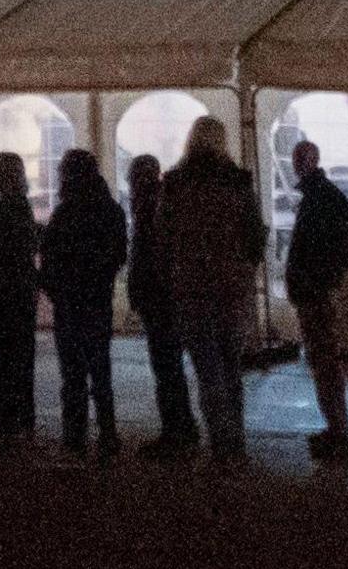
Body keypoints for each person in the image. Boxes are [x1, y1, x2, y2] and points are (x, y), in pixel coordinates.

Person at [156, 118, 267, 467]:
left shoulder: (175, 183)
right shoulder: (238, 182)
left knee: (207, 368)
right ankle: (236, 442)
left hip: (192, 285)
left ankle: (222, 444)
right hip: (232, 285)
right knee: (231, 367)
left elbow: (163, 236)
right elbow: (254, 235)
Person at [283, 138, 348, 465]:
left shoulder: (318, 198)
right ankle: (336, 428)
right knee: (324, 362)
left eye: (300, 159)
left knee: (324, 362)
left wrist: (325, 272)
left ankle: (339, 430)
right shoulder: (324, 196)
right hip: (317, 288)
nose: (297, 164)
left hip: (314, 291)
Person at [40, 148, 127, 459]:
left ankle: (74, 437)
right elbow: (119, 255)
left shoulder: (65, 213)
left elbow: (49, 257)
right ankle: (108, 434)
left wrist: (53, 288)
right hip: (98, 300)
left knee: (73, 375)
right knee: (101, 372)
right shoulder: (110, 210)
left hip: (69, 303)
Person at [126, 152, 199, 457]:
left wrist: (140, 291)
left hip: (158, 297)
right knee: (170, 366)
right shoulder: (164, 202)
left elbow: (146, 256)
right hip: (168, 295)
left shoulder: (148, 207)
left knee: (165, 366)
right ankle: (185, 426)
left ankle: (175, 431)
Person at [0, 151, 45, 444]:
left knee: (2, 358)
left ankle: (7, 418)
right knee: (23, 356)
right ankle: (25, 416)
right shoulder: (24, 209)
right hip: (23, 290)